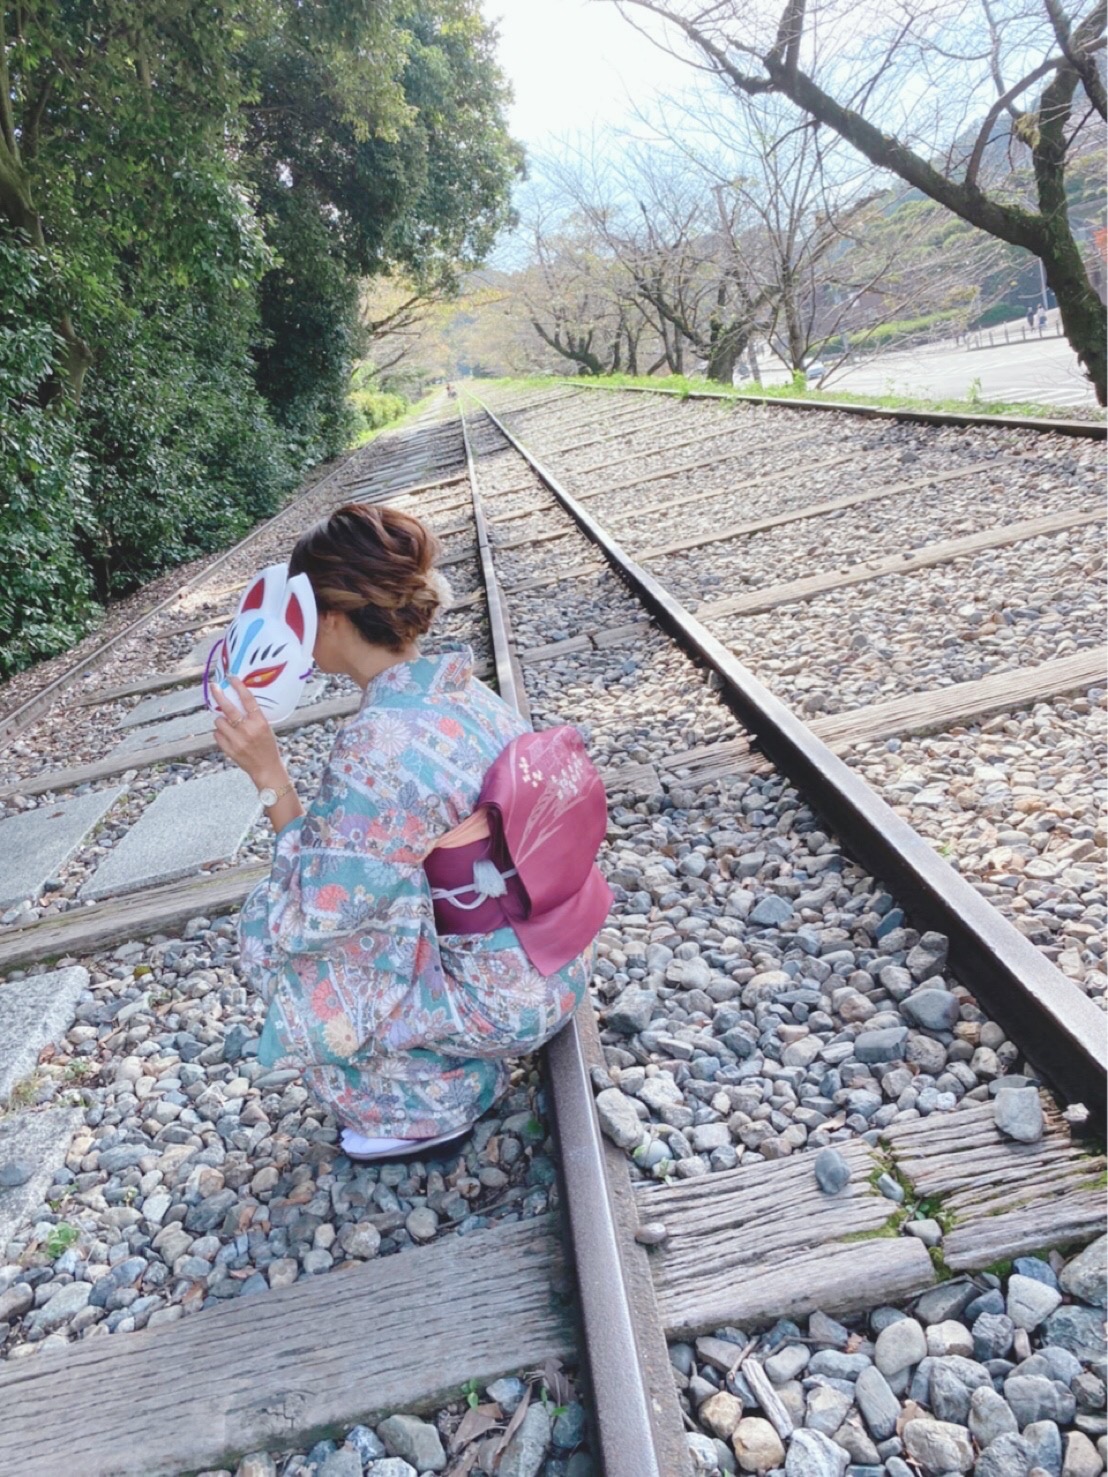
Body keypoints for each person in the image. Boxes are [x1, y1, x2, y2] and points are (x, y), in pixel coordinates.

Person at [212, 504, 606, 1160]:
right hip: (558, 957)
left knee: (278, 943)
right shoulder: (460, 688)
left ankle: (426, 1102)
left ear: (330, 617)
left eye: (298, 615)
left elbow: (317, 905)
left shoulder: (380, 740)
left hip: (505, 998)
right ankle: (447, 1057)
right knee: (362, 903)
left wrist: (269, 775)